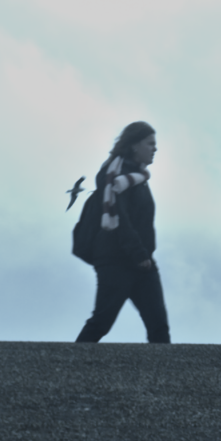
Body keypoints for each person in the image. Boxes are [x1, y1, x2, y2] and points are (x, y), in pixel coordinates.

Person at [74, 121, 170, 343]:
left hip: (142, 261)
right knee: (101, 322)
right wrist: (139, 254)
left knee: (159, 326)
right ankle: (67, 367)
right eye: (150, 143)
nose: (155, 149)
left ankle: (168, 376)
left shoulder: (139, 177)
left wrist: (144, 256)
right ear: (135, 145)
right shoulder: (113, 175)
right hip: (116, 260)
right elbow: (119, 218)